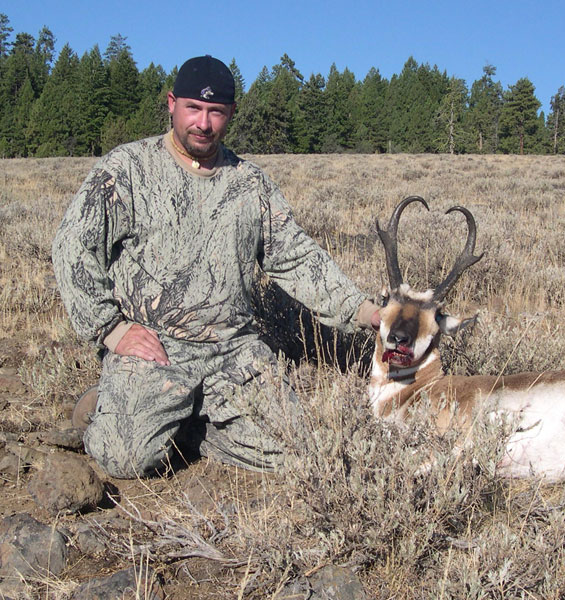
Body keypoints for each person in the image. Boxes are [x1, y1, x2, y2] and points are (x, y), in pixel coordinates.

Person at [52, 55, 379, 479]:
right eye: (193, 108)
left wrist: (365, 311)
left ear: (231, 114)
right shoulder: (128, 169)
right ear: (171, 104)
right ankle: (110, 405)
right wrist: (113, 330)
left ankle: (185, 423)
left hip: (234, 351)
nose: (203, 123)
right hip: (156, 347)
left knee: (300, 452)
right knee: (126, 458)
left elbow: (297, 256)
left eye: (215, 112)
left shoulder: (250, 183)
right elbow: (73, 245)